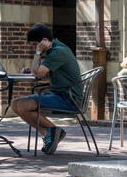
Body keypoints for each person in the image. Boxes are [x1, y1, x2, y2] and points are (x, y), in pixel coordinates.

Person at [11, 24, 83, 155]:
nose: (34, 48)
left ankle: (54, 131)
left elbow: (38, 73)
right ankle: (49, 133)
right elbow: (47, 78)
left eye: (35, 44)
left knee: (21, 105)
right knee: (15, 104)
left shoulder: (58, 51)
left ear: (44, 40)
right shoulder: (55, 50)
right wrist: (33, 71)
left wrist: (38, 52)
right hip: (60, 94)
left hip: (69, 99)